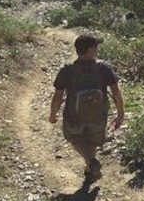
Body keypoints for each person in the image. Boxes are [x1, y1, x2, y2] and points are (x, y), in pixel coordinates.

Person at [49, 34, 125, 184]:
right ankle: (91, 165)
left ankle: (91, 165)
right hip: (99, 115)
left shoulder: (67, 70)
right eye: (95, 46)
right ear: (89, 50)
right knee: (91, 140)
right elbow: (116, 92)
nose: (97, 49)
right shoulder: (103, 68)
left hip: (74, 115)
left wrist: (53, 114)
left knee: (73, 137)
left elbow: (57, 96)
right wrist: (120, 114)